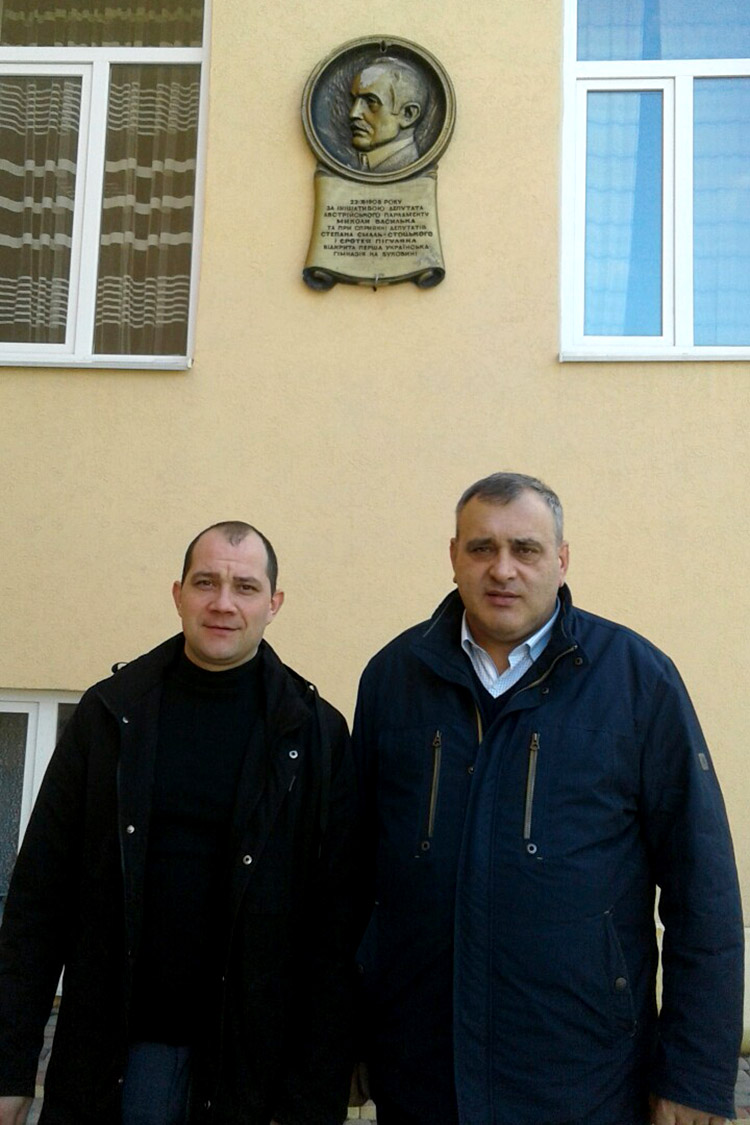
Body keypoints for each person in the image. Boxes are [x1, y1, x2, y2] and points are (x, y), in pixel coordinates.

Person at [352, 472, 744, 1125]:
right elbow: (348, 878)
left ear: (561, 560)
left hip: (582, 1078)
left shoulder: (637, 680)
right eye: (482, 548)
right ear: (453, 557)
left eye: (526, 549)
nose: (502, 569)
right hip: (422, 1073)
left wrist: (694, 1073)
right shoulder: (395, 678)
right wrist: (340, 1039)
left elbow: (702, 891)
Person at [0, 521, 357, 1125]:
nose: (223, 603)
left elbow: (335, 932)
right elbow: (39, 901)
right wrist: (9, 1068)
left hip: (253, 1069)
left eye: (245, 587)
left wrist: (311, 1097)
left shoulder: (315, 735)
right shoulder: (109, 716)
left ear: (274, 604)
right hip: (122, 1062)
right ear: (178, 594)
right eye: (206, 582)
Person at [348, 57, 427, 173]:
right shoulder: (362, 164)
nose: (353, 114)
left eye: (371, 102)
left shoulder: (407, 164)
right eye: (353, 100)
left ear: (408, 114)